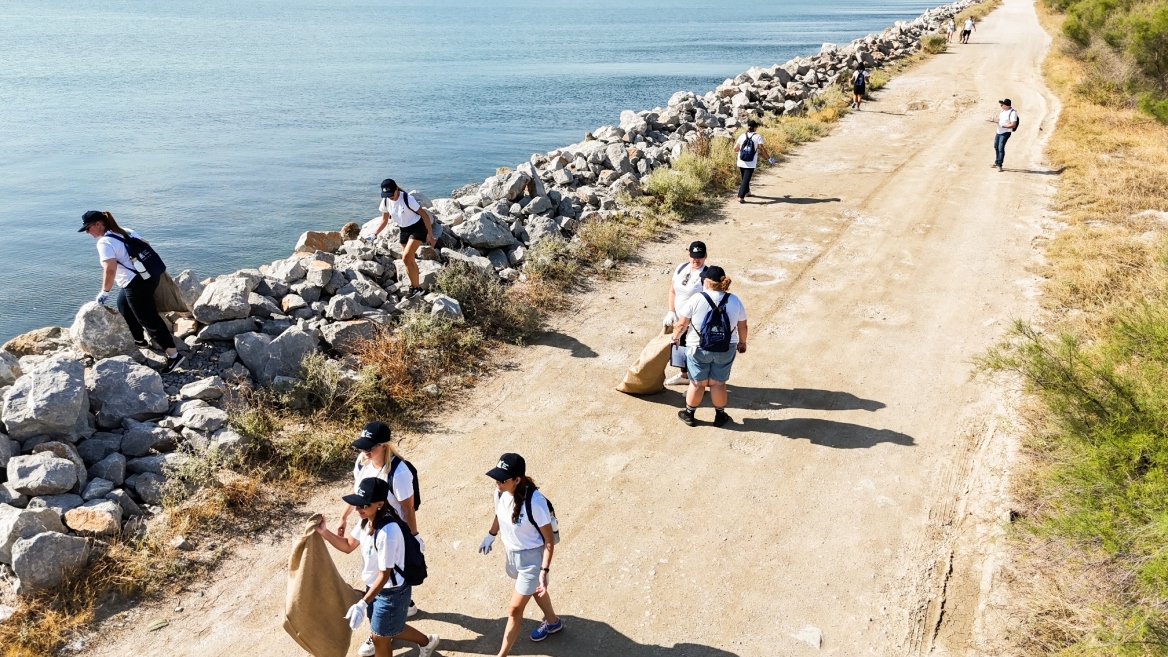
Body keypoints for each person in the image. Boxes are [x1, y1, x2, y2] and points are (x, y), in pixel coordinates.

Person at [316, 478, 440, 657]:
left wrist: (362, 603)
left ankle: (427, 642)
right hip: (374, 589)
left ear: (380, 504)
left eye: (363, 506)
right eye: (356, 505)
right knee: (390, 627)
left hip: (391, 593)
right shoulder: (366, 520)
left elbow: (384, 575)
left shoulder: (387, 533)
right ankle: (427, 642)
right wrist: (323, 532)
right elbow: (348, 545)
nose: (358, 510)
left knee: (379, 638)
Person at [338, 421, 422, 657]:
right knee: (375, 570)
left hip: (393, 530)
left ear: (384, 445)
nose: (365, 450)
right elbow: (357, 493)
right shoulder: (362, 463)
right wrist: (343, 518)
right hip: (369, 523)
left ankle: (382, 626)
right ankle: (397, 614)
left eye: (370, 446)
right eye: (363, 445)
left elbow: (408, 509)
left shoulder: (399, 472)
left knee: (392, 575)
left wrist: (414, 537)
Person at [79, 211, 184, 374]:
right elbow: (146, 244)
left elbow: (110, 268)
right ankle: (139, 341)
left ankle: (174, 356)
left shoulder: (104, 243)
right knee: (124, 305)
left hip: (136, 283)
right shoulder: (125, 231)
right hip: (148, 277)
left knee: (149, 319)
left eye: (88, 228)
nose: (87, 232)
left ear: (98, 224)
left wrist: (104, 292)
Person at [478, 453, 562, 656]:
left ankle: (502, 655)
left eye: (502, 479)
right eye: (496, 478)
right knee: (533, 590)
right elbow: (500, 514)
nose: (497, 482)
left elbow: (549, 540)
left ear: (517, 479)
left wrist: (543, 570)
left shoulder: (536, 502)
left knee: (514, 609)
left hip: (533, 560)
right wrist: (491, 535)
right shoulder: (499, 492)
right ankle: (553, 622)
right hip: (513, 556)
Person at [671, 266, 748, 428]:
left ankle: (689, 414)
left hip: (697, 348)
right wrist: (742, 342)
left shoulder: (696, 299)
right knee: (718, 383)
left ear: (706, 282)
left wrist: (675, 339)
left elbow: (681, 324)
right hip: (726, 347)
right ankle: (720, 415)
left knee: (697, 383)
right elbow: (742, 325)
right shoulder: (734, 300)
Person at [368, 179, 436, 298]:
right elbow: (384, 220)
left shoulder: (407, 198)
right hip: (403, 230)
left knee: (405, 258)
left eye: (391, 194)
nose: (390, 197)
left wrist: (430, 235)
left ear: (396, 190)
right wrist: (374, 234)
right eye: (387, 195)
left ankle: (415, 288)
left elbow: (424, 215)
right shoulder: (385, 201)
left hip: (417, 228)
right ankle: (416, 288)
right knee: (409, 261)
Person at [663, 241, 709, 386]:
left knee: (693, 351)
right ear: (688, 255)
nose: (697, 260)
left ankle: (696, 384)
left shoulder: (706, 275)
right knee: (680, 348)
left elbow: (707, 301)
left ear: (705, 256)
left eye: (700, 257)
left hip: (695, 322)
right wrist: (671, 311)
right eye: (694, 256)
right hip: (678, 318)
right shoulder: (681, 268)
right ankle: (684, 375)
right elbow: (672, 290)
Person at [733, 120, 773, 203]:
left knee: (744, 178)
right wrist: (769, 158)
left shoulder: (742, 135)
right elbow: (761, 148)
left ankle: (747, 192)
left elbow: (735, 149)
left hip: (741, 160)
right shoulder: (757, 136)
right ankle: (740, 196)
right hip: (750, 162)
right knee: (746, 179)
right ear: (755, 128)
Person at [988, 99, 1018, 171]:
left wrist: (1004, 126)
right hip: (998, 132)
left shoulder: (1012, 113)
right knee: (996, 147)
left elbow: (1013, 125)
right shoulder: (1002, 111)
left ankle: (999, 164)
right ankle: (997, 161)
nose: (1001, 105)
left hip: (1005, 132)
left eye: (1002, 104)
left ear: (1007, 106)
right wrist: (994, 120)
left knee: (1001, 148)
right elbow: (1000, 119)